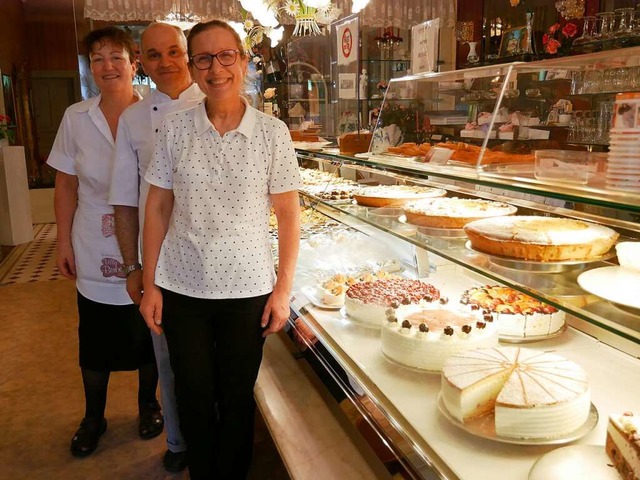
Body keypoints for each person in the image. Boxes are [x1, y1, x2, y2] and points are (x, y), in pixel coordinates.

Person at [140, 19, 302, 479]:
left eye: (226, 55)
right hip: (183, 286)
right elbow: (156, 210)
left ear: (244, 60)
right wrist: (150, 285)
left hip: (248, 289)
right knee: (192, 395)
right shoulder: (175, 130)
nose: (216, 68)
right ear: (193, 67)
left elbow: (289, 216)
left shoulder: (272, 134)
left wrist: (283, 290)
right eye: (204, 58)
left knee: (236, 398)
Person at [47, 26, 162, 458]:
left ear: (135, 64)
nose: (107, 66)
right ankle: (93, 416)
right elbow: (65, 184)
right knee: (94, 338)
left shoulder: (156, 113)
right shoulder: (77, 117)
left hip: (149, 238)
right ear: (90, 68)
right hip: (93, 241)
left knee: (150, 329)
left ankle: (148, 405)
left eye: (117, 56)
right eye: (97, 59)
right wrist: (62, 243)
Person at [109, 22, 203, 473]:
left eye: (174, 52)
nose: (165, 63)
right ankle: (179, 439)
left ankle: (218, 437)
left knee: (220, 358)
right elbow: (125, 199)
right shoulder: (132, 119)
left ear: (187, 54)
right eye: (153, 55)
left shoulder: (218, 103)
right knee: (168, 356)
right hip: (160, 260)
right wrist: (133, 266)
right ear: (141, 63)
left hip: (218, 256)